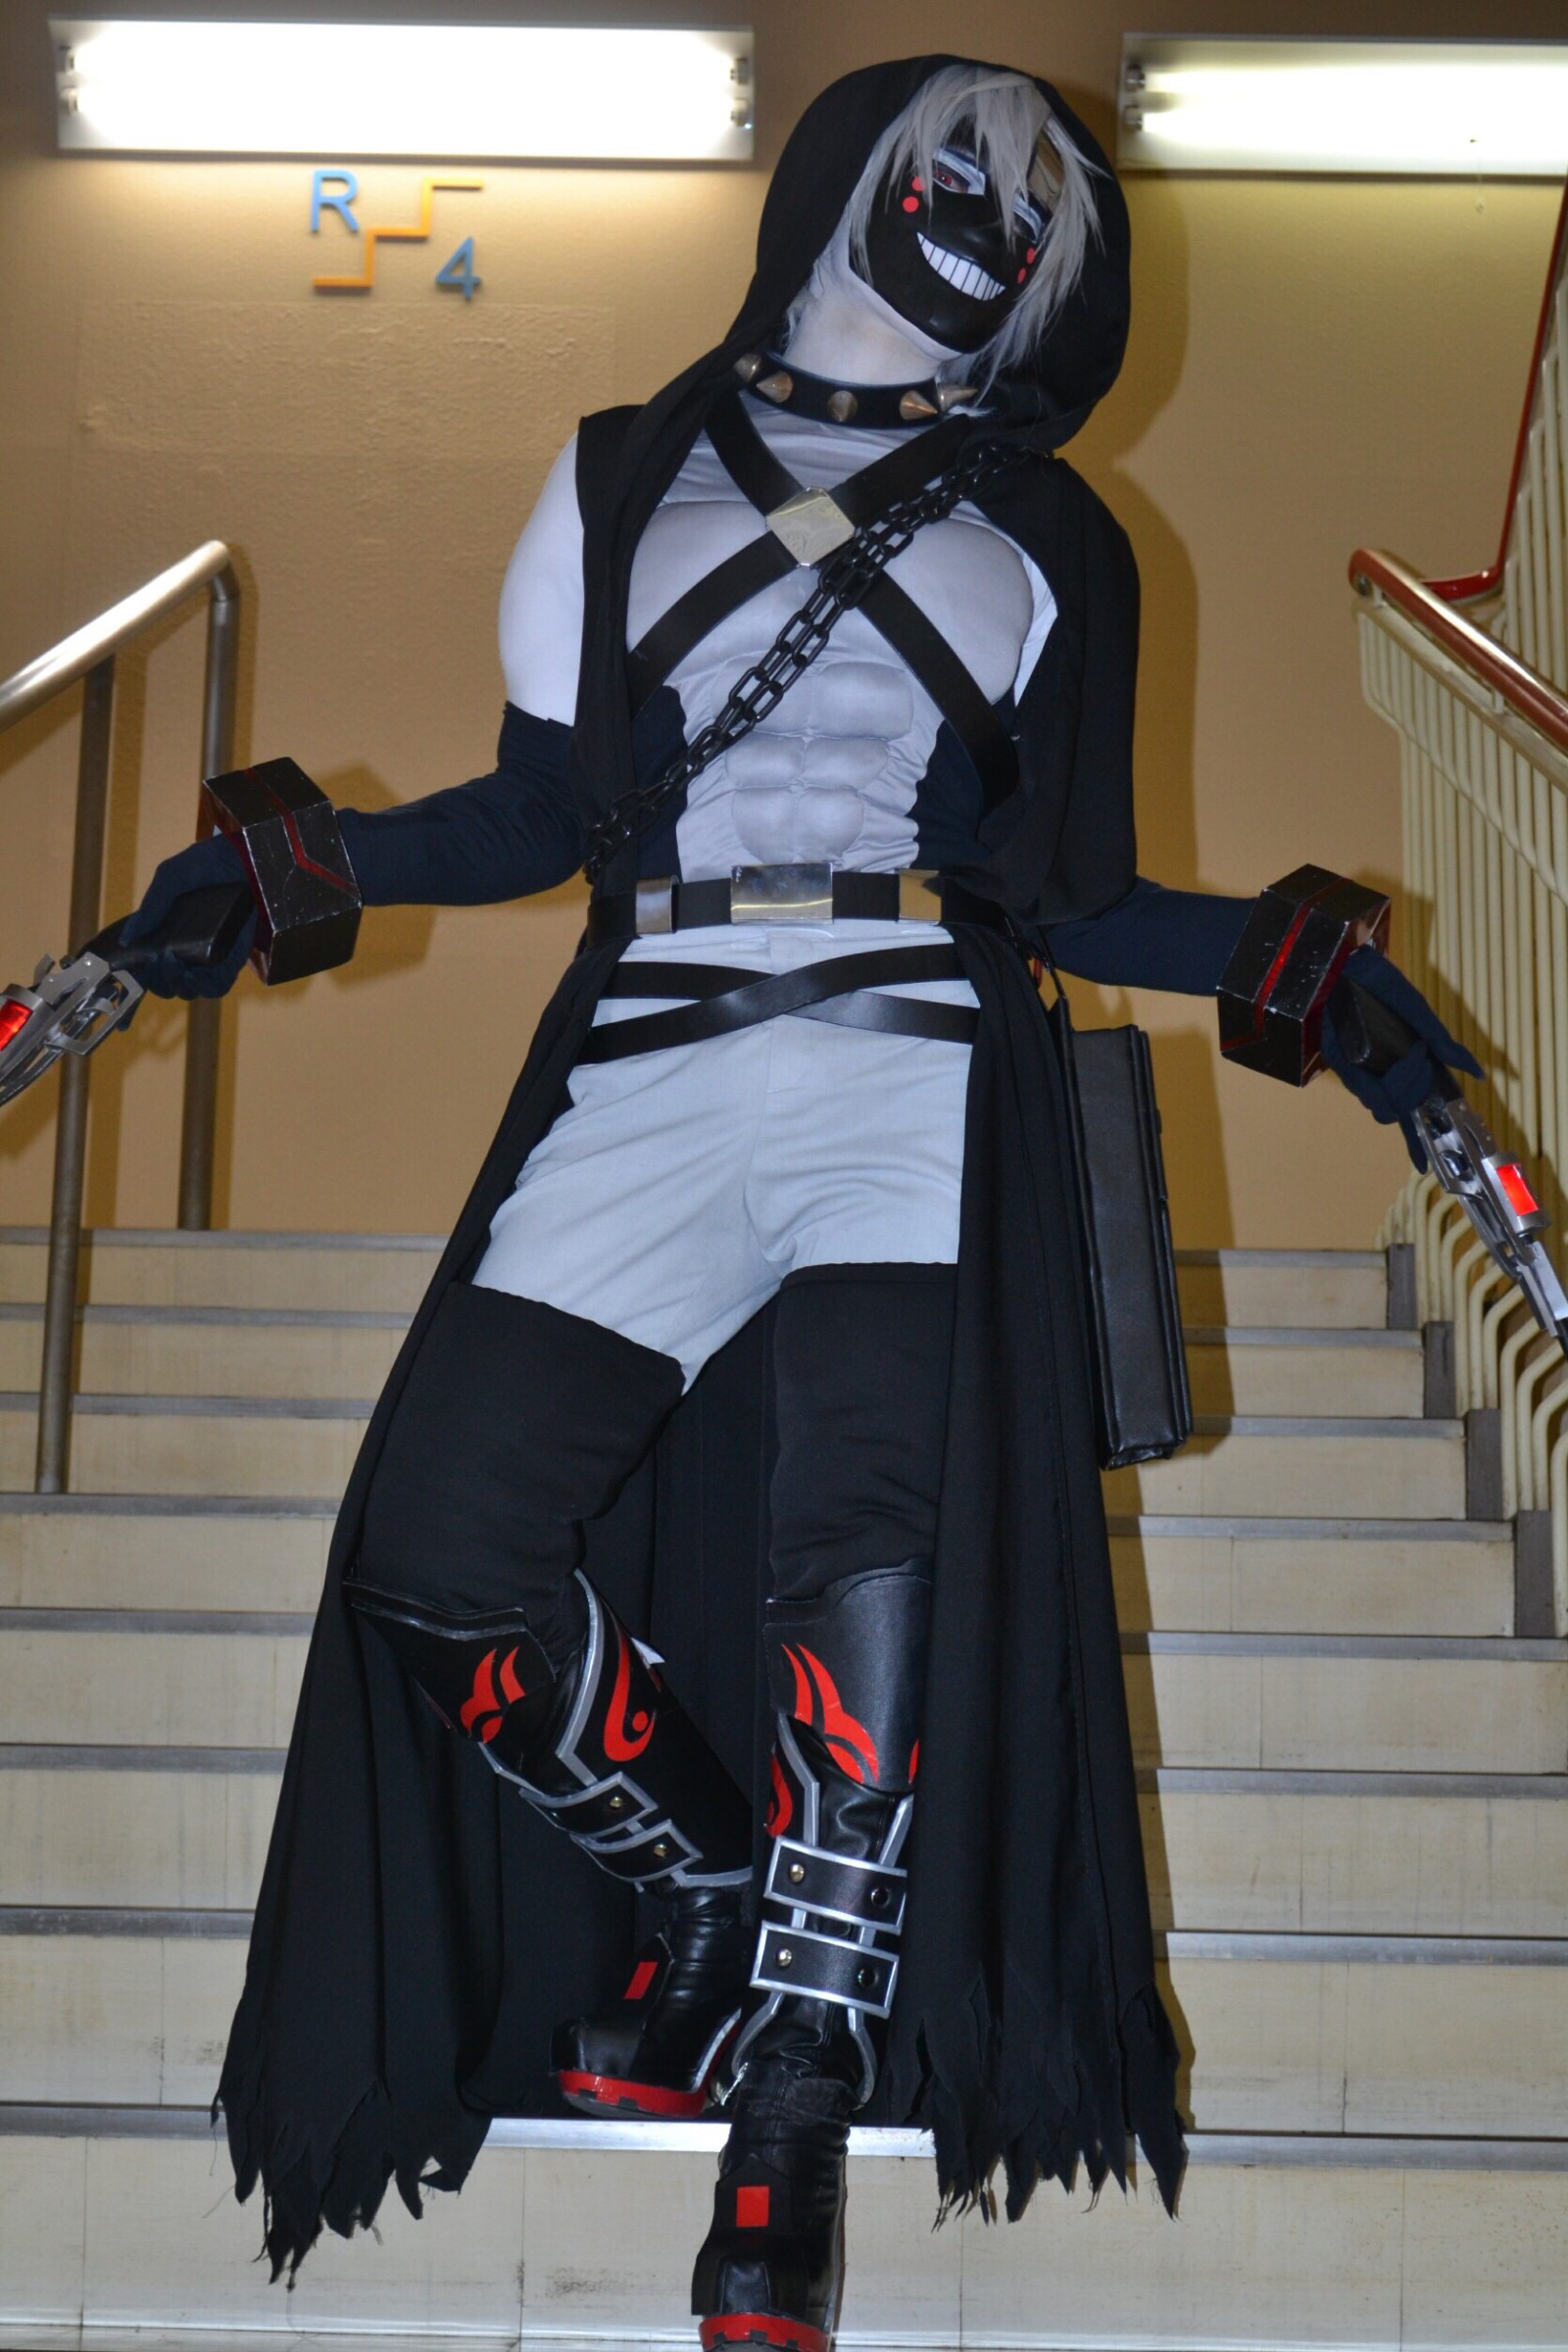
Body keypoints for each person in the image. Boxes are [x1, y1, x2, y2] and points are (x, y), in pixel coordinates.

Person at [120, 54, 1475, 2352]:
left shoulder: (1053, 538)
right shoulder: (613, 471)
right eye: (961, 168)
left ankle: (797, 2080)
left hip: (910, 1063)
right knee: (438, 1546)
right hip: (649, 1047)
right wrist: (285, 874)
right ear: (852, 176)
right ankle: (716, 1886)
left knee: (867, 1540)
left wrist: (1302, 972)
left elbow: (1066, 891)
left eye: (1034, 203)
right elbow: (532, 814)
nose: (991, 215)